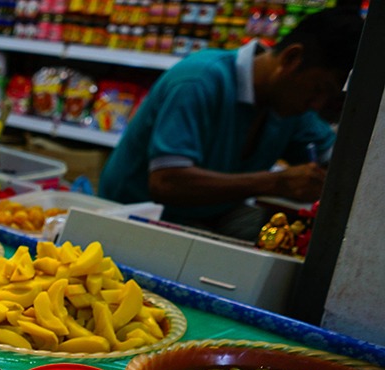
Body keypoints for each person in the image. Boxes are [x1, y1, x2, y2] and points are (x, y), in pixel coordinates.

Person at [98, 8, 364, 241]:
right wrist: (275, 183)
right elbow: (167, 182)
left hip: (215, 213)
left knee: (288, 239)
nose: (317, 104)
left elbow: (338, 159)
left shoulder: (290, 105)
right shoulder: (198, 80)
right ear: (291, 59)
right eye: (318, 89)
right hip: (136, 214)